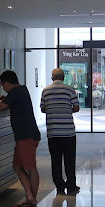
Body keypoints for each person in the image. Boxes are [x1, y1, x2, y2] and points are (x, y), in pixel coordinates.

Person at [0, 70, 41, 207]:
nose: (3, 88)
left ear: (7, 83)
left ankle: (32, 198)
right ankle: (29, 196)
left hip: (26, 135)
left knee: (30, 167)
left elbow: (1, 106)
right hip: (24, 135)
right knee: (18, 166)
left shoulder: (16, 92)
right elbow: (5, 106)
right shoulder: (22, 90)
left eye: (3, 85)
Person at [40, 68, 80, 196]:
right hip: (68, 132)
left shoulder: (46, 91)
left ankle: (60, 187)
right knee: (70, 160)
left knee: (55, 160)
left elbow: (42, 109)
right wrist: (66, 111)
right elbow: (76, 108)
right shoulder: (70, 90)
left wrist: (53, 110)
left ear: (52, 77)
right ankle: (71, 187)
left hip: (53, 132)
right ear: (63, 77)